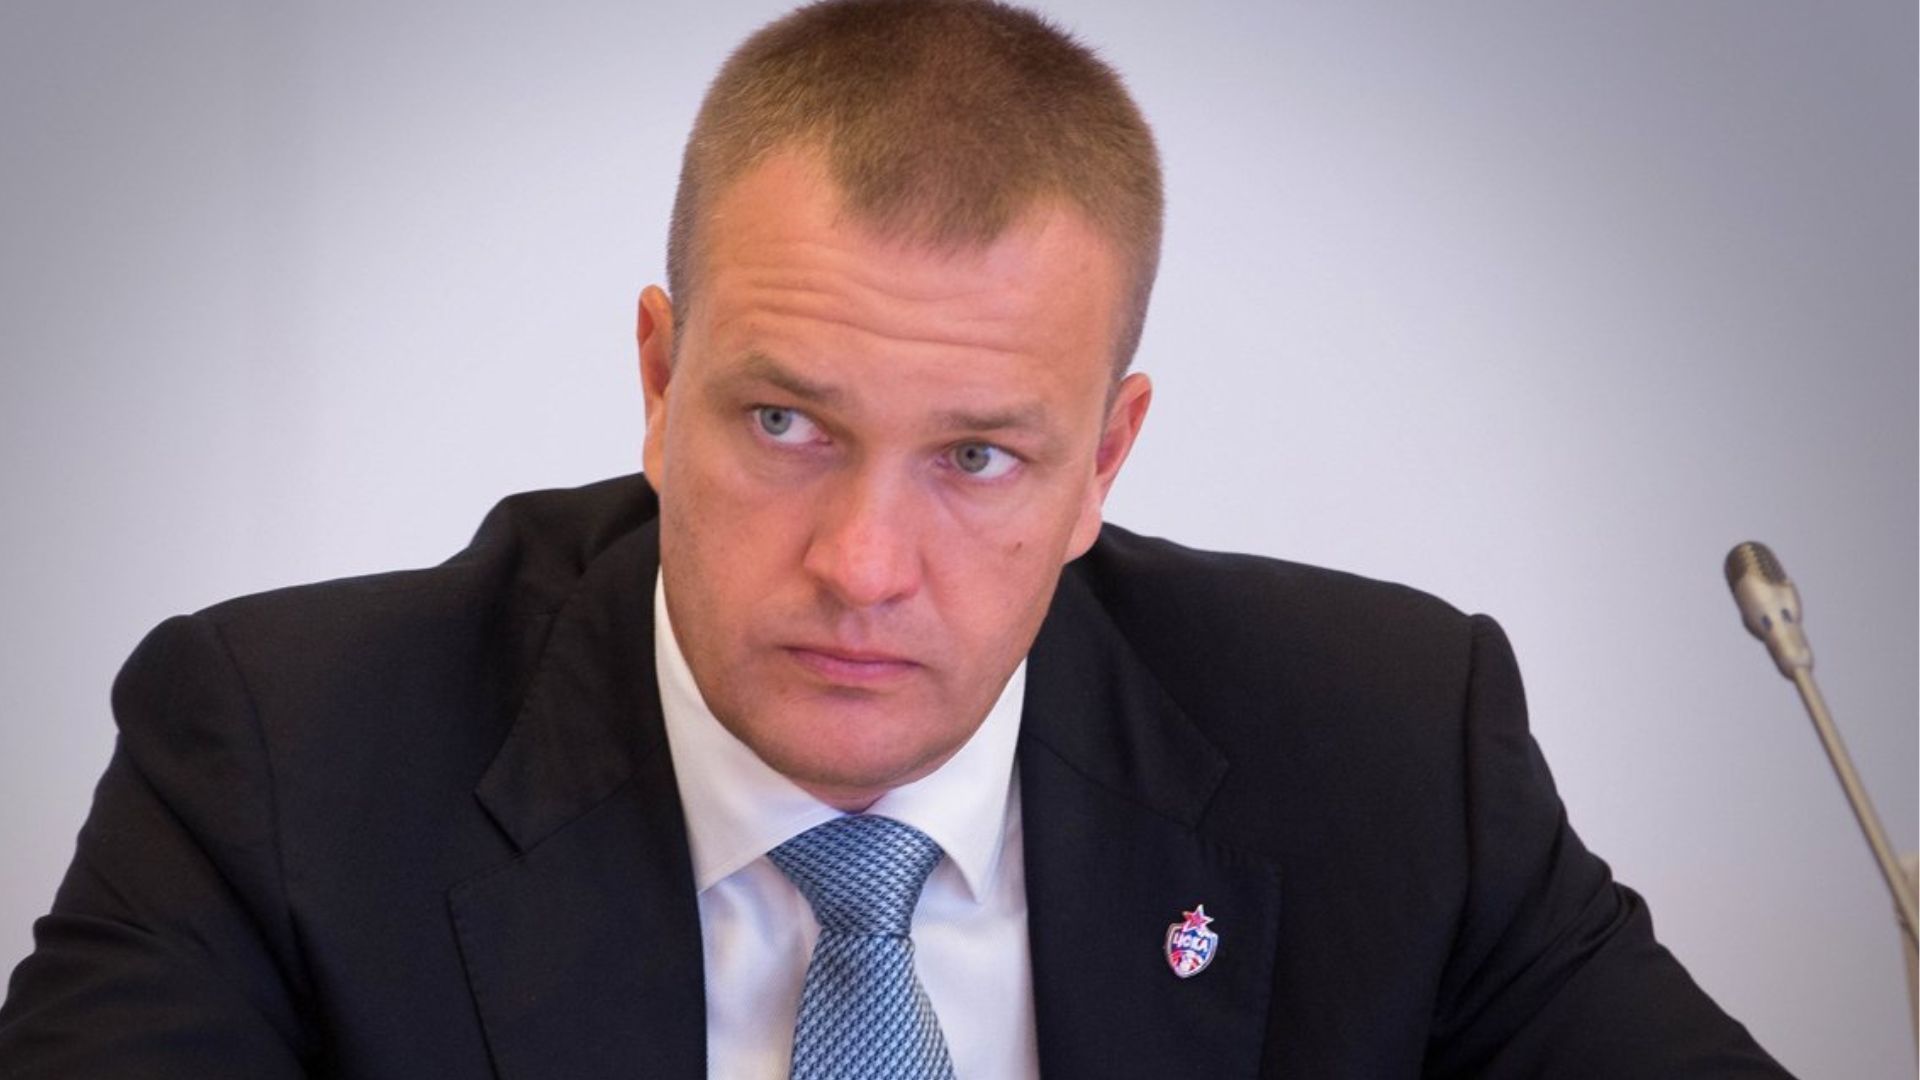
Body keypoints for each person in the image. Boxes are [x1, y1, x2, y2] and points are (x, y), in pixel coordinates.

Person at [0, 1, 1793, 1076]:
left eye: (980, 459)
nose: (863, 564)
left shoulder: (1387, 752)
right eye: (786, 424)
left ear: (1105, 462)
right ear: (659, 379)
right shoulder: (284, 759)